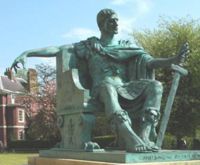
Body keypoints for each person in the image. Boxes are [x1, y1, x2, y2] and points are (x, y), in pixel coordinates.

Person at [11, 8, 189, 152]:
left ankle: (144, 133)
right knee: (108, 86)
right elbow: (58, 49)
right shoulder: (89, 46)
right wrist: (27, 53)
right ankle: (128, 135)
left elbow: (150, 62)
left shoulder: (127, 47)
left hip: (127, 88)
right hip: (100, 90)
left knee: (156, 86)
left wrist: (172, 60)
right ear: (102, 25)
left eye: (117, 20)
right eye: (112, 20)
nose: (116, 23)